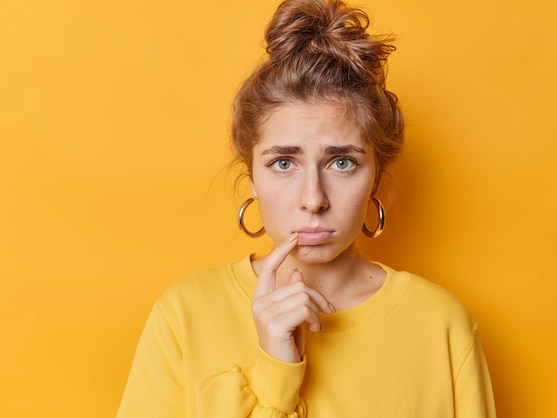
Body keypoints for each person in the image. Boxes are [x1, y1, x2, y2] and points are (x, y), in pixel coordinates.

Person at [117, 0, 496, 416]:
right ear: (253, 182)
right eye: (284, 163)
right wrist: (276, 372)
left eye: (342, 162)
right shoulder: (183, 317)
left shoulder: (440, 325)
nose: (313, 199)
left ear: (376, 179)